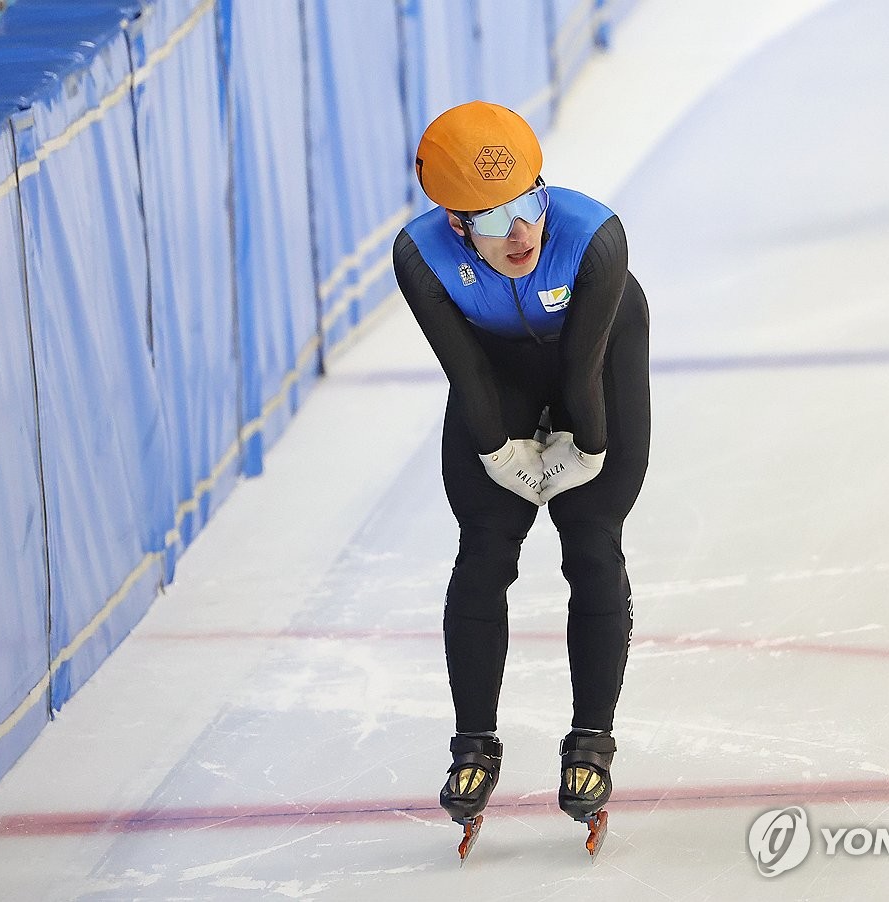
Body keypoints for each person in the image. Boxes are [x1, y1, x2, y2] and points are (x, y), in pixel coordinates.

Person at [392, 100, 650, 851]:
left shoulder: (596, 235)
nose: (523, 232)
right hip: (495, 373)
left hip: (597, 356)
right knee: (483, 547)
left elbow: (583, 371)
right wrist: (501, 451)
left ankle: (591, 741)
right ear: (456, 224)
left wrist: (586, 448)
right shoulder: (418, 255)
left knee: (592, 540)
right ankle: (472, 742)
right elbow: (465, 369)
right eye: (496, 217)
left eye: (529, 202)